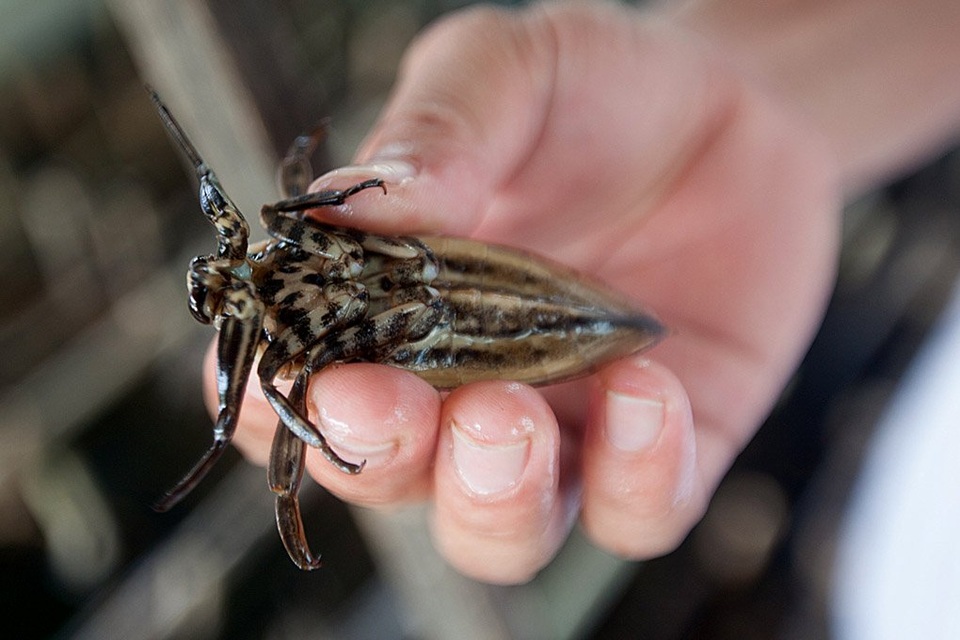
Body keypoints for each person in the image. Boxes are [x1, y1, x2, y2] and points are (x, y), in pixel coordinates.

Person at [207, 0, 960, 584]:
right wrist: (753, 112)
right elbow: (282, 394)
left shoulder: (301, 241)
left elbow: (296, 216)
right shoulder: (295, 336)